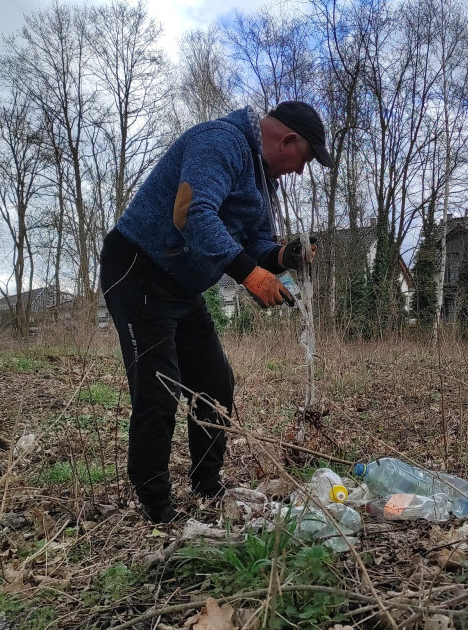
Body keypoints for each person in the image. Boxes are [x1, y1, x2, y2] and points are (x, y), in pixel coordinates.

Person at [100, 101, 332, 523]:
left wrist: (282, 256)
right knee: (159, 389)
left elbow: (255, 243)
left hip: (183, 285)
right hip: (139, 268)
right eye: (304, 159)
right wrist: (249, 274)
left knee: (214, 383)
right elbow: (191, 212)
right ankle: (156, 506)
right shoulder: (220, 141)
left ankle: (207, 484)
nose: (300, 171)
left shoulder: (263, 183)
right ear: (288, 139)